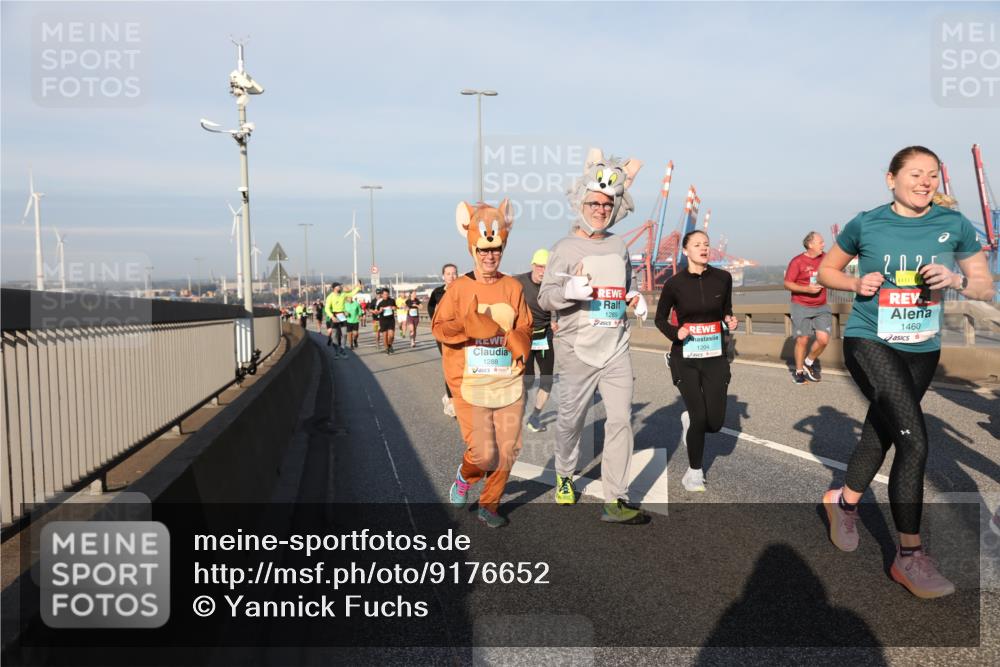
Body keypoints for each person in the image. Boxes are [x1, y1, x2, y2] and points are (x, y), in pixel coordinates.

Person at [818, 146, 994, 599]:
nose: (924, 182)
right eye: (915, 174)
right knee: (913, 440)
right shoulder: (866, 222)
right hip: (870, 339)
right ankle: (910, 557)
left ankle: (844, 503)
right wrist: (857, 283)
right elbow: (825, 271)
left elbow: (983, 285)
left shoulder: (952, 225)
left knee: (883, 432)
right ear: (890, 178)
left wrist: (956, 281)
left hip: (922, 347)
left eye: (932, 175)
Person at [537, 148, 651, 524]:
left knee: (620, 420)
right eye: (595, 202)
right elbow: (545, 297)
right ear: (581, 203)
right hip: (576, 349)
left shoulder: (619, 245)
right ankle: (565, 474)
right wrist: (568, 293)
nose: (601, 209)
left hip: (616, 347)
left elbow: (625, 284)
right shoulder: (564, 249)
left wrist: (634, 298)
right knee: (570, 421)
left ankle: (616, 498)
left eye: (607, 204)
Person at [432, 199, 531, 527]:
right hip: (469, 385)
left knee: (508, 450)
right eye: (484, 250)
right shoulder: (459, 289)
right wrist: (465, 327)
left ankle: (490, 504)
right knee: (484, 454)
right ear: (472, 247)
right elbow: (438, 328)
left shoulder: (513, 287)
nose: (490, 255)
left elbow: (525, 327)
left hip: (508, 383)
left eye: (496, 250)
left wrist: (515, 339)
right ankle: (465, 476)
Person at [654, 230, 738, 492]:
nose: (704, 248)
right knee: (700, 415)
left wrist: (729, 320)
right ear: (686, 251)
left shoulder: (723, 278)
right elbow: (660, 319)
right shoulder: (674, 284)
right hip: (685, 357)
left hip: (714, 356)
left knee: (714, 423)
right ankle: (694, 472)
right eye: (697, 244)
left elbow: (726, 310)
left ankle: (690, 421)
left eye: (707, 244)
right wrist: (674, 332)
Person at [515, 248, 558, 433]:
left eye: (547, 268)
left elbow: (563, 305)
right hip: (524, 338)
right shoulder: (518, 282)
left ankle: (535, 417)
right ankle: (517, 413)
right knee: (529, 380)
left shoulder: (553, 285)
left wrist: (558, 321)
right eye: (540, 267)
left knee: (547, 380)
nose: (542, 271)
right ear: (533, 265)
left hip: (544, 337)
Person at [785, 232, 832, 383]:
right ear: (810, 244)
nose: (824, 244)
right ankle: (799, 372)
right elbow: (787, 283)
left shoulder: (825, 258)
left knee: (823, 339)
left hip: (821, 305)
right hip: (801, 305)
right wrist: (807, 290)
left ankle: (808, 362)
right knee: (803, 340)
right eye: (821, 242)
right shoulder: (797, 261)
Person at [428, 263, 459, 417]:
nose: (452, 276)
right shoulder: (437, 292)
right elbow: (431, 310)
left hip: (460, 334)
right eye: (448, 274)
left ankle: (455, 397)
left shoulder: (463, 290)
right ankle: (452, 400)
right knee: (450, 366)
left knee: (461, 366)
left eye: (454, 273)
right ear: (443, 276)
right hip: (443, 335)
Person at [324, 282, 362, 358]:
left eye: (340, 286)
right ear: (334, 288)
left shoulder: (343, 294)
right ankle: (336, 352)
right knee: (334, 335)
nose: (340, 287)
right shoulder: (330, 297)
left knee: (344, 334)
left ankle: (342, 350)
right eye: (339, 286)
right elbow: (327, 308)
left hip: (342, 316)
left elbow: (351, 294)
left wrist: (358, 288)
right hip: (334, 316)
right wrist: (332, 317)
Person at [374, 288, 397, 354]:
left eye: (387, 294)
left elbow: (395, 307)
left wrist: (394, 308)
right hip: (383, 320)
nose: (386, 295)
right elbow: (376, 312)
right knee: (385, 335)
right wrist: (380, 311)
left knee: (391, 335)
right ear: (382, 295)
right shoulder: (380, 303)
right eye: (384, 294)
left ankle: (390, 345)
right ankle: (386, 348)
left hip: (391, 320)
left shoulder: (392, 300)